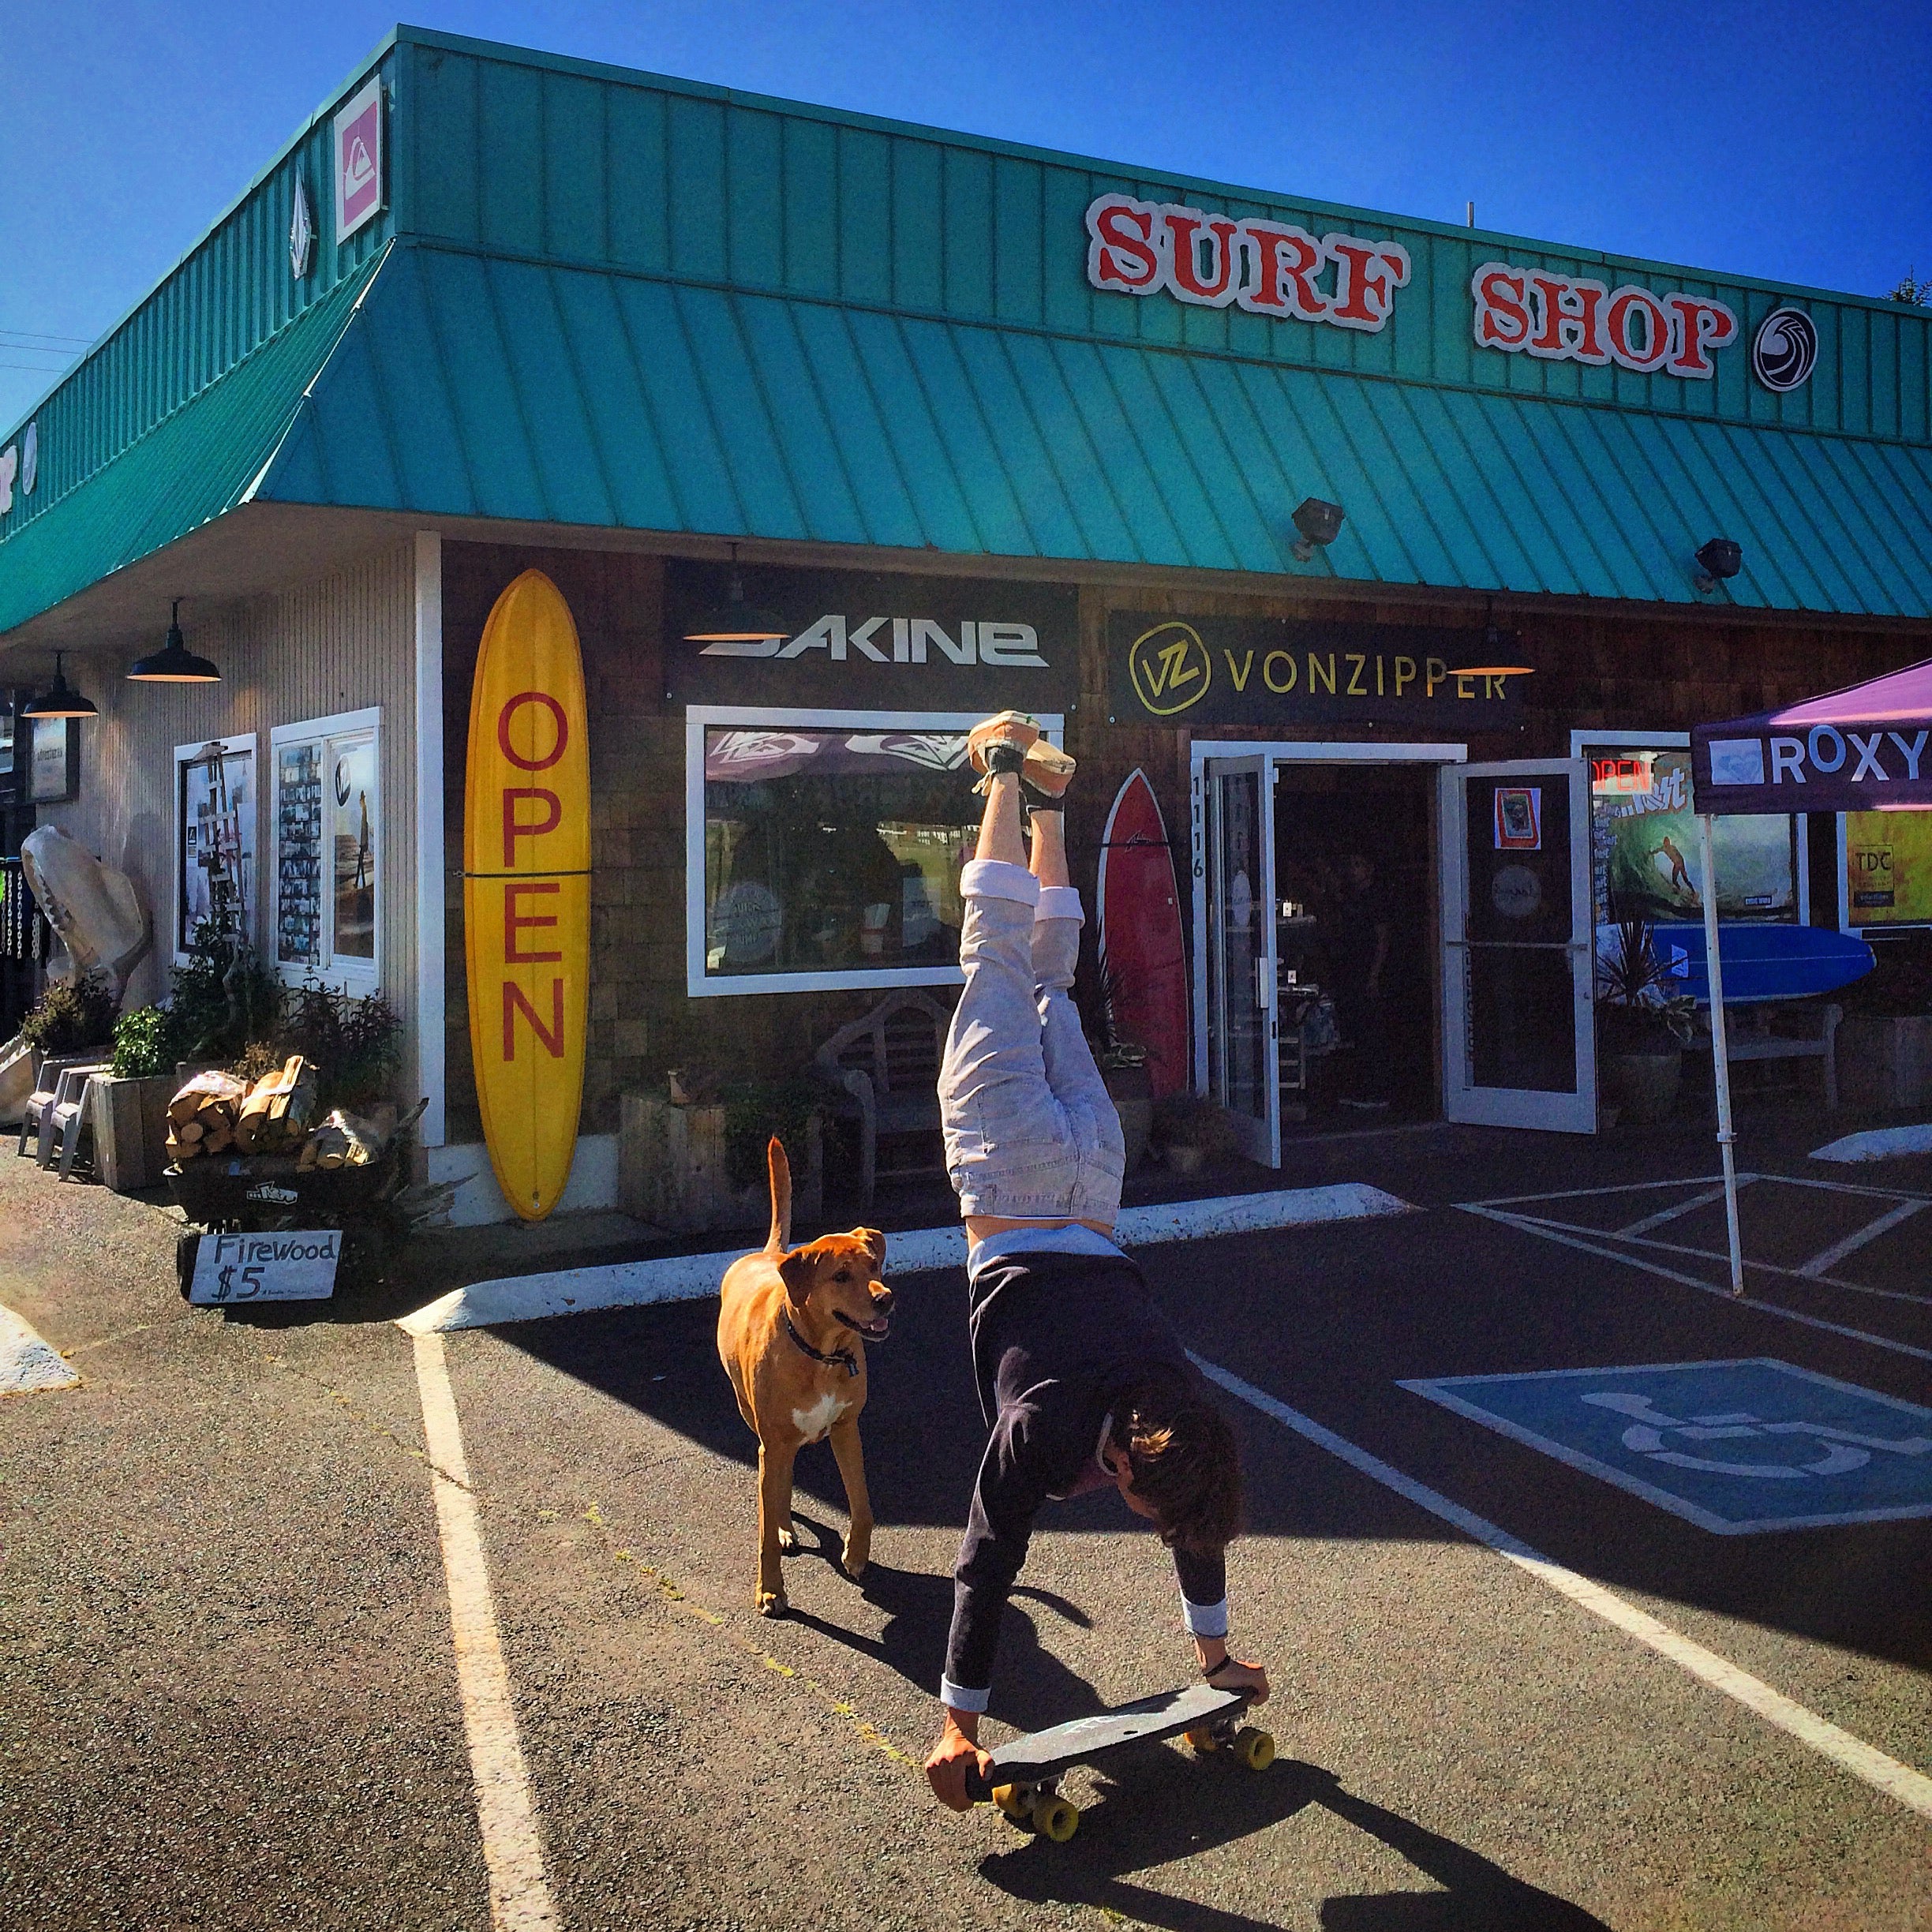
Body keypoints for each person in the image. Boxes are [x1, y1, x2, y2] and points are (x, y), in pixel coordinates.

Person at [923, 711, 1268, 1813]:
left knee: (1050, 985)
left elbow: (1191, 1510)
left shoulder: (1188, 1412)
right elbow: (984, 1559)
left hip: (1096, 1180)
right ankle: (1007, 776)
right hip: (1018, 1183)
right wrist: (955, 1725)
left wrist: (1216, 1661)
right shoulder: (1049, 1429)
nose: (1128, 1505)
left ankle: (1057, 801)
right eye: (1131, 1491)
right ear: (1119, 1455)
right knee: (998, 956)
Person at [1328, 850, 1391, 1110]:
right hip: (1354, 971)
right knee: (1358, 1031)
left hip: (1368, 972)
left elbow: (1382, 937)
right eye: (1351, 864)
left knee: (1371, 1032)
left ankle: (1376, 1092)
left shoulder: (1375, 899)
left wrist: (1375, 974)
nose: (1353, 870)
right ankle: (1363, 1088)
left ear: (1370, 869)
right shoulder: (1354, 898)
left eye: (1358, 863)